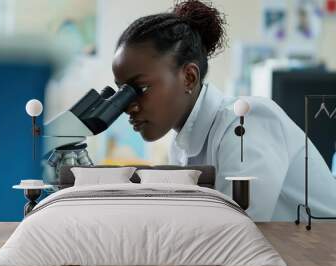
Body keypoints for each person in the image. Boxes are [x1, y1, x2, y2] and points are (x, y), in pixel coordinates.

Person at [111, 0, 336, 221]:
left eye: (140, 88)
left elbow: (235, 233)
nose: (127, 106)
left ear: (189, 77)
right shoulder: (181, 147)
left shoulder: (246, 121)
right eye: (122, 92)